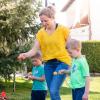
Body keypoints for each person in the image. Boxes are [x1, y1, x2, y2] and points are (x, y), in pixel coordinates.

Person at [18, 5, 72, 100]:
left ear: (52, 18)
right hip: (48, 65)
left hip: (62, 62)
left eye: (46, 20)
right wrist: (25, 54)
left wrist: (76, 59)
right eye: (41, 21)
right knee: (51, 91)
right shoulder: (40, 33)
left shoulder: (63, 29)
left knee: (54, 89)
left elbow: (71, 46)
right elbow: (34, 49)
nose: (43, 23)